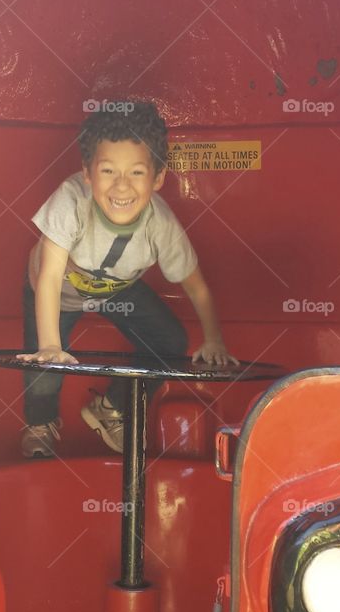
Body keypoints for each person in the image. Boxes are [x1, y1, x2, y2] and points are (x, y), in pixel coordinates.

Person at [19, 101, 237, 458]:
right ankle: (41, 423)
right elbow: (50, 276)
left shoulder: (161, 225)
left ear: (158, 178)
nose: (121, 186)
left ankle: (111, 407)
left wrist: (214, 339)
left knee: (171, 340)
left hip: (116, 288)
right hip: (57, 290)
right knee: (44, 364)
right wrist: (50, 346)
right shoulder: (71, 199)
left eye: (136, 173)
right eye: (108, 171)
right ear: (88, 175)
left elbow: (196, 287)